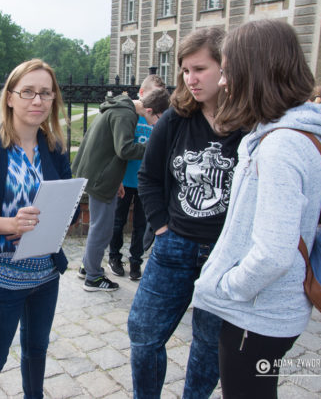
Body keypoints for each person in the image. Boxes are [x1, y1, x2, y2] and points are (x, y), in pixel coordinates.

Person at [192, 19, 321, 399]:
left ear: (254, 72)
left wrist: (228, 286)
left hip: (258, 313)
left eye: (228, 71)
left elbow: (273, 253)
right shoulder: (294, 135)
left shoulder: (280, 146)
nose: (223, 82)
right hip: (272, 309)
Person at [128, 26, 245, 399]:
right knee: (143, 333)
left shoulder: (251, 122)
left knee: (210, 342)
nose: (190, 79)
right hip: (174, 246)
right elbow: (148, 177)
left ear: (225, 68)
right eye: (185, 70)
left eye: (200, 69)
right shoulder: (177, 118)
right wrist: (161, 227)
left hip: (226, 254)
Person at [0, 59, 75, 398]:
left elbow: (66, 204)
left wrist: (64, 214)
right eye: (28, 92)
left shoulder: (54, 147)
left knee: (37, 351)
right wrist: (9, 224)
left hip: (46, 274)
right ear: (9, 97)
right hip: (1, 277)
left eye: (46, 93)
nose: (38, 100)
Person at [72, 86, 170, 292]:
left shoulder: (121, 108)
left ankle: (87, 266)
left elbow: (109, 147)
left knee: (100, 225)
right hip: (100, 177)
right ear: (150, 111)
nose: (157, 124)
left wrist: (118, 180)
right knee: (102, 228)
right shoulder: (125, 114)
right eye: (159, 118)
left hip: (100, 173)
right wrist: (155, 148)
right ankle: (93, 278)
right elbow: (124, 149)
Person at [108, 74, 167, 280]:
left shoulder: (159, 117)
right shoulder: (131, 115)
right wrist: (117, 178)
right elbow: (119, 148)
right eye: (153, 95)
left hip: (146, 181)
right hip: (125, 178)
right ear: (142, 93)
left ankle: (135, 262)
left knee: (141, 225)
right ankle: (114, 257)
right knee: (118, 221)